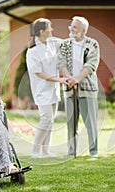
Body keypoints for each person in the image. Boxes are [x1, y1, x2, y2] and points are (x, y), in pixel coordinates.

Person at [26, 18, 68, 158]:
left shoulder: (52, 43)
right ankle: (35, 151)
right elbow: (39, 73)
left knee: (51, 120)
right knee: (46, 119)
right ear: (41, 31)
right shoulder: (33, 52)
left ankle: (45, 151)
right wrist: (59, 79)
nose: (53, 30)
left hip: (53, 89)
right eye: (50, 28)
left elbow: (66, 42)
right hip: (42, 90)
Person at [59, 16, 100, 158]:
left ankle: (93, 151)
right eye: (71, 26)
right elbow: (61, 63)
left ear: (84, 30)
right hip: (69, 89)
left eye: (74, 27)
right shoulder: (64, 44)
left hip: (87, 89)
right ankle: (71, 151)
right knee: (71, 123)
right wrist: (70, 79)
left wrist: (77, 79)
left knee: (90, 123)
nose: (70, 29)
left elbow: (91, 65)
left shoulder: (92, 44)